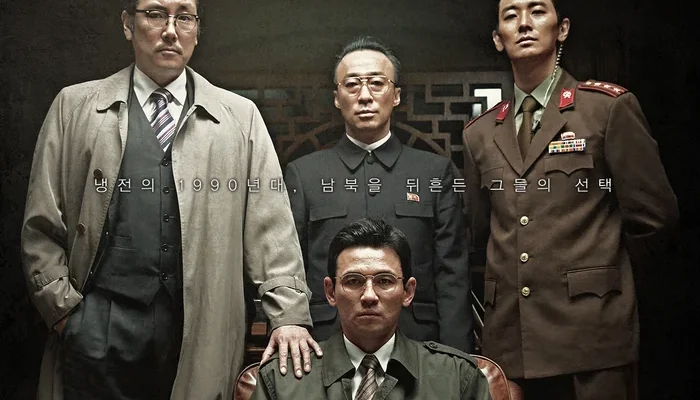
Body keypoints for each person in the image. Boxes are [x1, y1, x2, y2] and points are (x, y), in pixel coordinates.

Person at [20, 1, 322, 399]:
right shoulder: (75, 107)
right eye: (155, 14)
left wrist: (289, 315)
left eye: (184, 17)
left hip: (200, 325)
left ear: (197, 30)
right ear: (128, 24)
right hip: (97, 326)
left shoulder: (240, 117)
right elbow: (41, 224)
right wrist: (66, 314)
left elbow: (271, 227)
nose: (170, 30)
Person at [461, 0, 679, 399]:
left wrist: (610, 282)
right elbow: (479, 230)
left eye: (537, 11)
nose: (523, 24)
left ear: (561, 28)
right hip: (511, 338)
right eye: (510, 15)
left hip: (592, 335)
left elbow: (654, 219)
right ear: (497, 39)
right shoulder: (480, 132)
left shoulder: (605, 109)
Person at [284, 36, 474, 352]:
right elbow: (290, 266)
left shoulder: (433, 172)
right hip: (326, 341)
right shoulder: (304, 175)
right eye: (352, 85)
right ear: (336, 98)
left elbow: (452, 272)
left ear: (396, 95)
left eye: (376, 83)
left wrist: (457, 356)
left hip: (419, 340)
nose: (364, 96)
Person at [252, 218, 492, 399]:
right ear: (330, 292)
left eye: (384, 281)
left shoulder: (457, 377)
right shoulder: (282, 381)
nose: (369, 296)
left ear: (408, 292)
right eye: (353, 281)